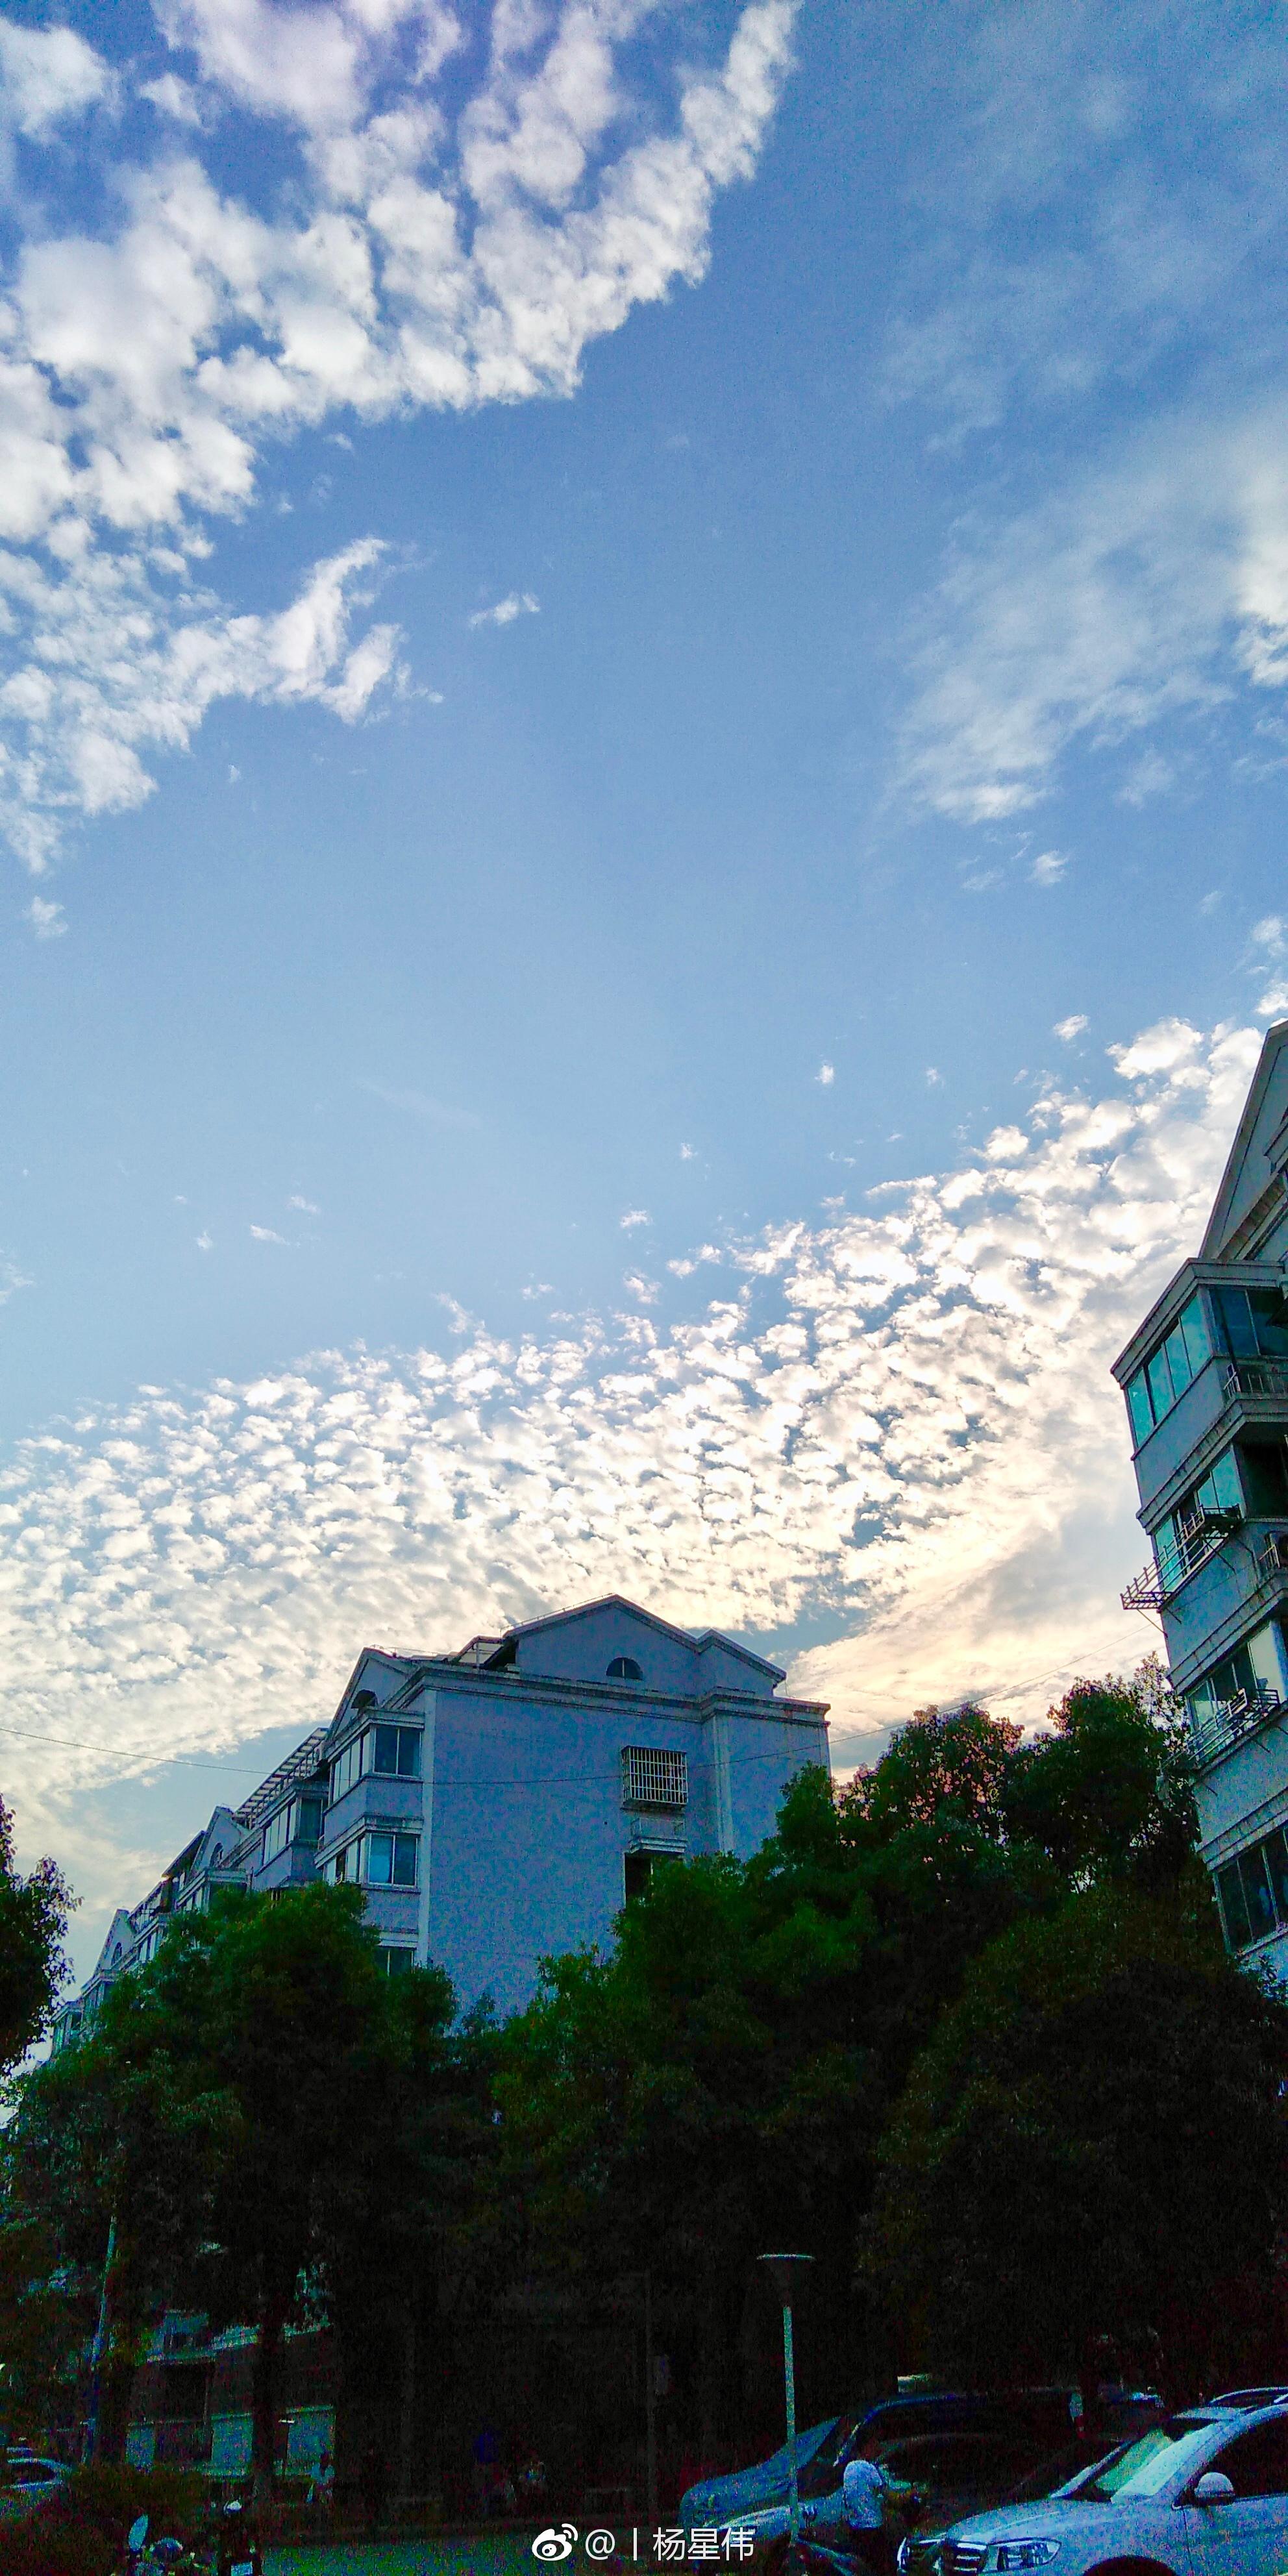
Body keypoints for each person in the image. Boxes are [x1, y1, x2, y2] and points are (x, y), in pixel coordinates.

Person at [841, 2452, 894, 2576]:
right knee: (879, 2567)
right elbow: (889, 2495)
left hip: (855, 2527)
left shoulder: (849, 2468)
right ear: (868, 2446)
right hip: (873, 2527)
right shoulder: (869, 2468)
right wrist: (911, 2494)